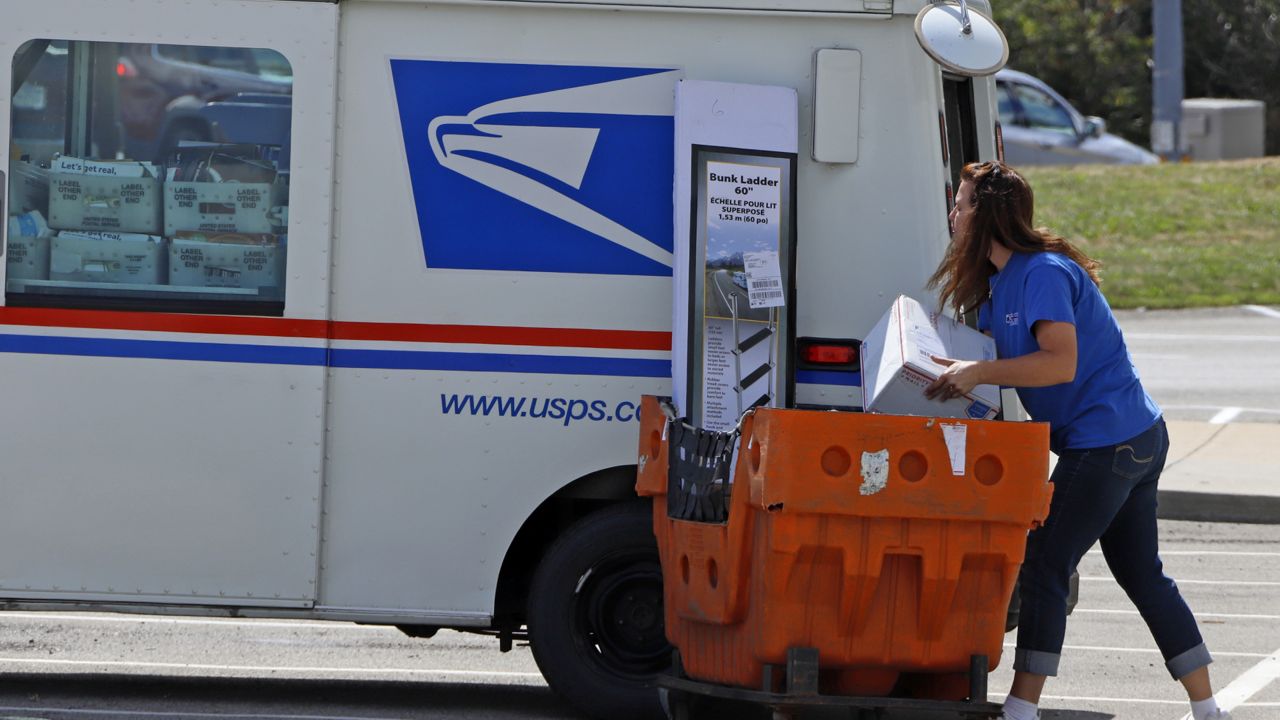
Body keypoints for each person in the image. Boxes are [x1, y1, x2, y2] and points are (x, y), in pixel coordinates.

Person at [922, 160, 1229, 720]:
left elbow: (1059, 365)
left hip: (1108, 444)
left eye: (963, 203)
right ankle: (1209, 709)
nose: (954, 213)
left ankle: (1021, 708)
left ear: (986, 214)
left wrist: (978, 373)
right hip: (1132, 437)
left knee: (1044, 561)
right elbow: (995, 359)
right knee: (1141, 573)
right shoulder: (1000, 283)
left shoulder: (1042, 273)